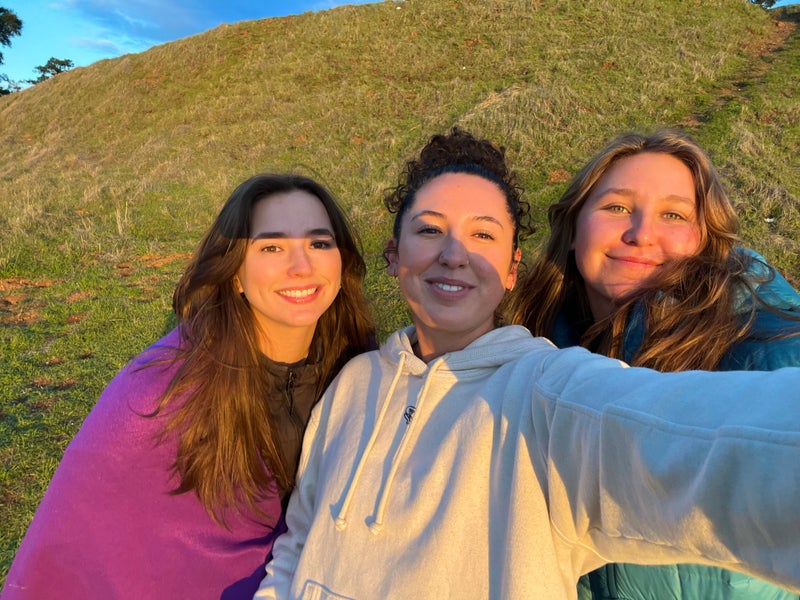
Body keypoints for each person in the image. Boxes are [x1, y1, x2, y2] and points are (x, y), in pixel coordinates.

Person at [255, 128, 800, 600]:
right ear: (394, 255)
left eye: (483, 234)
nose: (454, 254)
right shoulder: (352, 381)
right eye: (429, 229)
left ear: (512, 267)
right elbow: (298, 543)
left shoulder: (547, 390)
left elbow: (698, 439)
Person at [1, 174, 375, 600]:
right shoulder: (161, 393)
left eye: (319, 243)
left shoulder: (364, 371)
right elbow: (74, 544)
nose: (302, 266)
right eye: (271, 247)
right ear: (234, 274)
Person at [509, 130, 800, 600]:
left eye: (673, 215)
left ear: (705, 242)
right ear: (574, 228)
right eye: (617, 207)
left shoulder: (764, 346)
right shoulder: (532, 351)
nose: (641, 233)